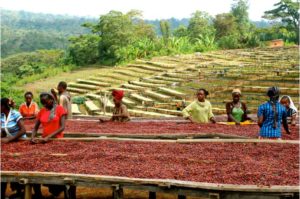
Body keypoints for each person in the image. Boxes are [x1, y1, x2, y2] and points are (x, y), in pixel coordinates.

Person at [31, 92, 67, 198]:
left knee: (56, 166)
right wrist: (33, 137)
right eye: (42, 103)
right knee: (39, 165)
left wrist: (49, 137)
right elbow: (36, 127)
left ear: (51, 99)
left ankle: (58, 189)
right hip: (44, 142)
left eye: (46, 102)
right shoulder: (42, 111)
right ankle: (38, 194)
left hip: (57, 142)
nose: (45, 105)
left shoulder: (60, 109)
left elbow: (62, 127)